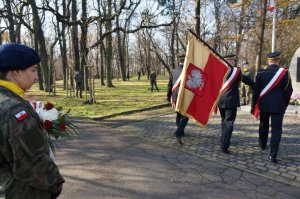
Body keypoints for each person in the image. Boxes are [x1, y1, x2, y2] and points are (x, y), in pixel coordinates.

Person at [0, 43, 65, 198]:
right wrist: (55, 185)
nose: (36, 77)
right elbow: (34, 163)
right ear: (15, 72)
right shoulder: (15, 111)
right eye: (33, 70)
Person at [251, 51, 293, 163]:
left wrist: (253, 106)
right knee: (276, 130)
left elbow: (255, 92)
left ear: (268, 61)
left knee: (263, 125)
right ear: (278, 60)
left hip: (264, 105)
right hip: (278, 106)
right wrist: (284, 104)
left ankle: (263, 145)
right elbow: (289, 91)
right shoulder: (285, 73)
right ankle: (273, 155)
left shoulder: (260, 73)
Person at [218, 54, 254, 154]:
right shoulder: (236, 72)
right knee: (229, 123)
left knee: (223, 121)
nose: (234, 62)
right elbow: (247, 81)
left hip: (220, 100)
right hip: (231, 101)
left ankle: (223, 140)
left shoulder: (219, 70)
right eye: (233, 61)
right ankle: (225, 145)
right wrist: (256, 87)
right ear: (231, 61)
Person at [167, 55, 189, 145]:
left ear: (179, 61)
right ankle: (178, 132)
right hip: (184, 97)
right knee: (185, 116)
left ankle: (180, 130)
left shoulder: (173, 70)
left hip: (175, 96)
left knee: (178, 115)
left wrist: (169, 96)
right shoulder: (187, 70)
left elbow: (169, 85)